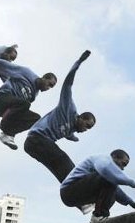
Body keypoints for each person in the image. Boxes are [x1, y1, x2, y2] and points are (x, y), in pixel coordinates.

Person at [24, 50, 95, 184]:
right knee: (63, 159)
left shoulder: (72, 130)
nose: (86, 129)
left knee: (57, 169)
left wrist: (74, 138)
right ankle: (80, 183)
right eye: (87, 125)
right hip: (36, 139)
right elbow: (68, 84)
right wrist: (78, 62)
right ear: (80, 117)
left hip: (36, 147)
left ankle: (79, 199)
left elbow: (70, 135)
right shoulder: (68, 107)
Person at [0, 54, 57, 149]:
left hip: (7, 106)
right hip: (1, 98)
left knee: (36, 118)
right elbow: (5, 65)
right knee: (25, 104)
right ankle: (5, 127)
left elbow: (19, 111)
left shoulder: (33, 96)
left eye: (51, 87)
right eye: (49, 84)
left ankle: (7, 135)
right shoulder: (27, 72)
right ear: (44, 77)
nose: (48, 88)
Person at [60, 149, 135, 223]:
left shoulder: (108, 175)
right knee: (109, 178)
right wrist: (132, 183)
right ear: (114, 157)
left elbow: (115, 190)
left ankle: (97, 219)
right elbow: (104, 170)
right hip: (68, 190)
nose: (122, 168)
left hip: (76, 196)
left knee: (112, 191)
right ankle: (99, 215)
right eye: (123, 164)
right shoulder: (102, 159)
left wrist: (131, 203)